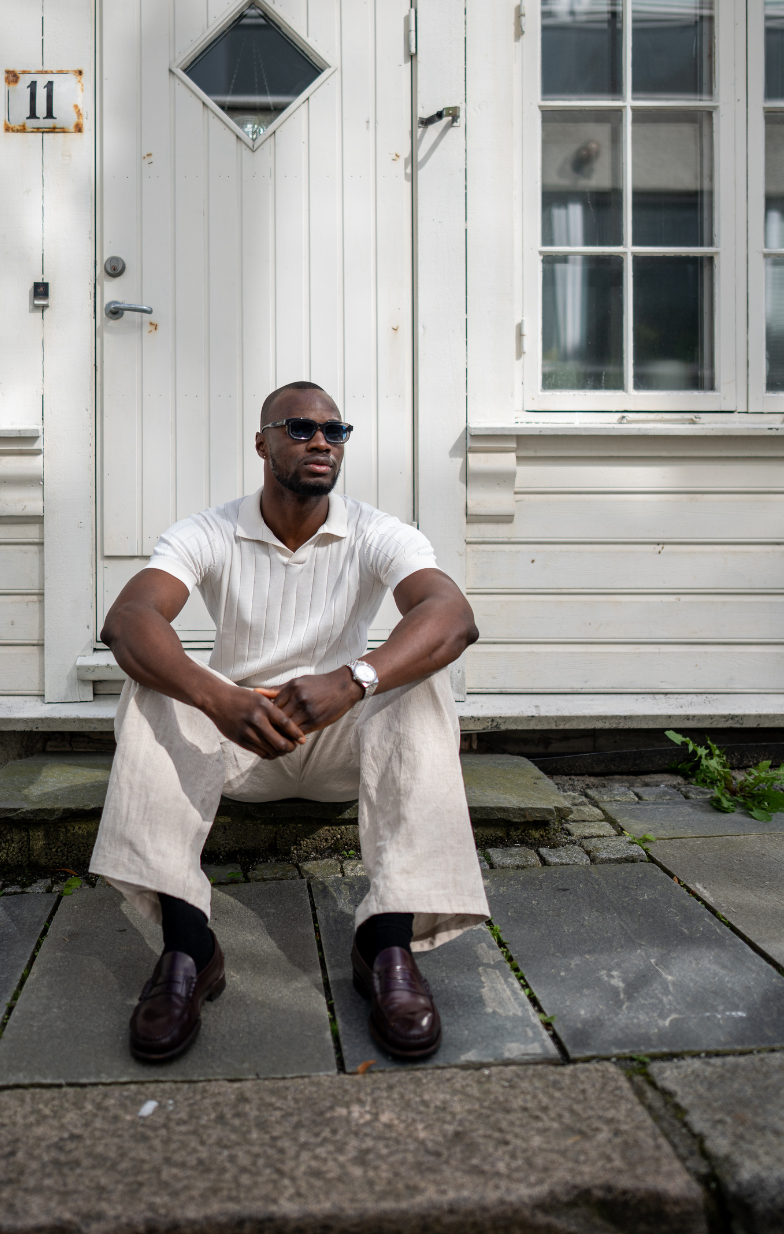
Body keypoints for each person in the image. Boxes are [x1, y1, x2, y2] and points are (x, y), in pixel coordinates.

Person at [90, 381, 489, 1063]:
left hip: (340, 739)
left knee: (420, 685)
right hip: (242, 740)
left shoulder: (377, 531)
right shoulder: (209, 531)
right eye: (300, 428)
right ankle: (189, 950)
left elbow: (452, 617)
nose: (320, 443)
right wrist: (219, 699)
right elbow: (128, 622)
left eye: (335, 432)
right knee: (152, 687)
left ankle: (387, 943)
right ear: (262, 442)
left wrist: (356, 678)